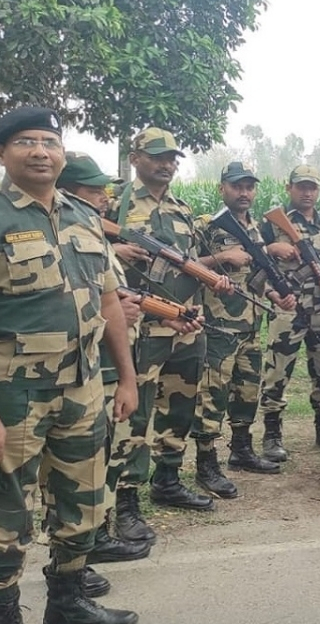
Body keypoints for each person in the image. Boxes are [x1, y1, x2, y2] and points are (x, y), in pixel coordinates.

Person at [0, 106, 138, 624]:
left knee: (84, 505)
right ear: (0, 152)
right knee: (3, 517)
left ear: (63, 155)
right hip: (10, 396)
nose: (41, 151)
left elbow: (110, 302)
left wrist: (127, 378)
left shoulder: (84, 216)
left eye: (50, 141)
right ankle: (3, 613)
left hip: (84, 388)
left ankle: (67, 604)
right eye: (26, 141)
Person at [105, 128, 233, 522]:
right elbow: (81, 249)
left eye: (173, 158)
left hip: (185, 325)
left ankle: (167, 479)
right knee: (136, 413)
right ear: (135, 158)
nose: (167, 164)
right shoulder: (114, 205)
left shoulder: (181, 209)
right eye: (158, 157)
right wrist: (115, 248)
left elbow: (190, 263)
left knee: (180, 407)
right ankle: (125, 500)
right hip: (140, 328)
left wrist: (213, 277)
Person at [56, 153, 152, 576]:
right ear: (68, 191)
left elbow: (108, 295)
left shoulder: (94, 236)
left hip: (110, 364)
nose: (104, 197)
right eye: (95, 190)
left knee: (105, 455)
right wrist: (111, 313)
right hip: (80, 369)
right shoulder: (61, 236)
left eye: (105, 190)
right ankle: (74, 558)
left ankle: (95, 537)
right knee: (77, 467)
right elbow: (59, 304)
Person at [191, 162, 296, 476]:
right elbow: (184, 263)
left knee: (247, 392)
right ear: (222, 188)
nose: (244, 192)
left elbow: (252, 277)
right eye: (237, 186)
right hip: (218, 326)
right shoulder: (206, 225)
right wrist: (221, 257)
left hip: (251, 326)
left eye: (249, 186)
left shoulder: (253, 228)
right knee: (213, 395)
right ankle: (206, 462)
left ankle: (241, 450)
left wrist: (273, 295)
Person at [258, 164, 320, 455]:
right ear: (289, 188)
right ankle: (272, 433)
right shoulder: (273, 224)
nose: (307, 192)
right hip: (290, 307)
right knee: (277, 372)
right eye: (301, 186)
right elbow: (253, 260)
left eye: (312, 187)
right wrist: (272, 249)